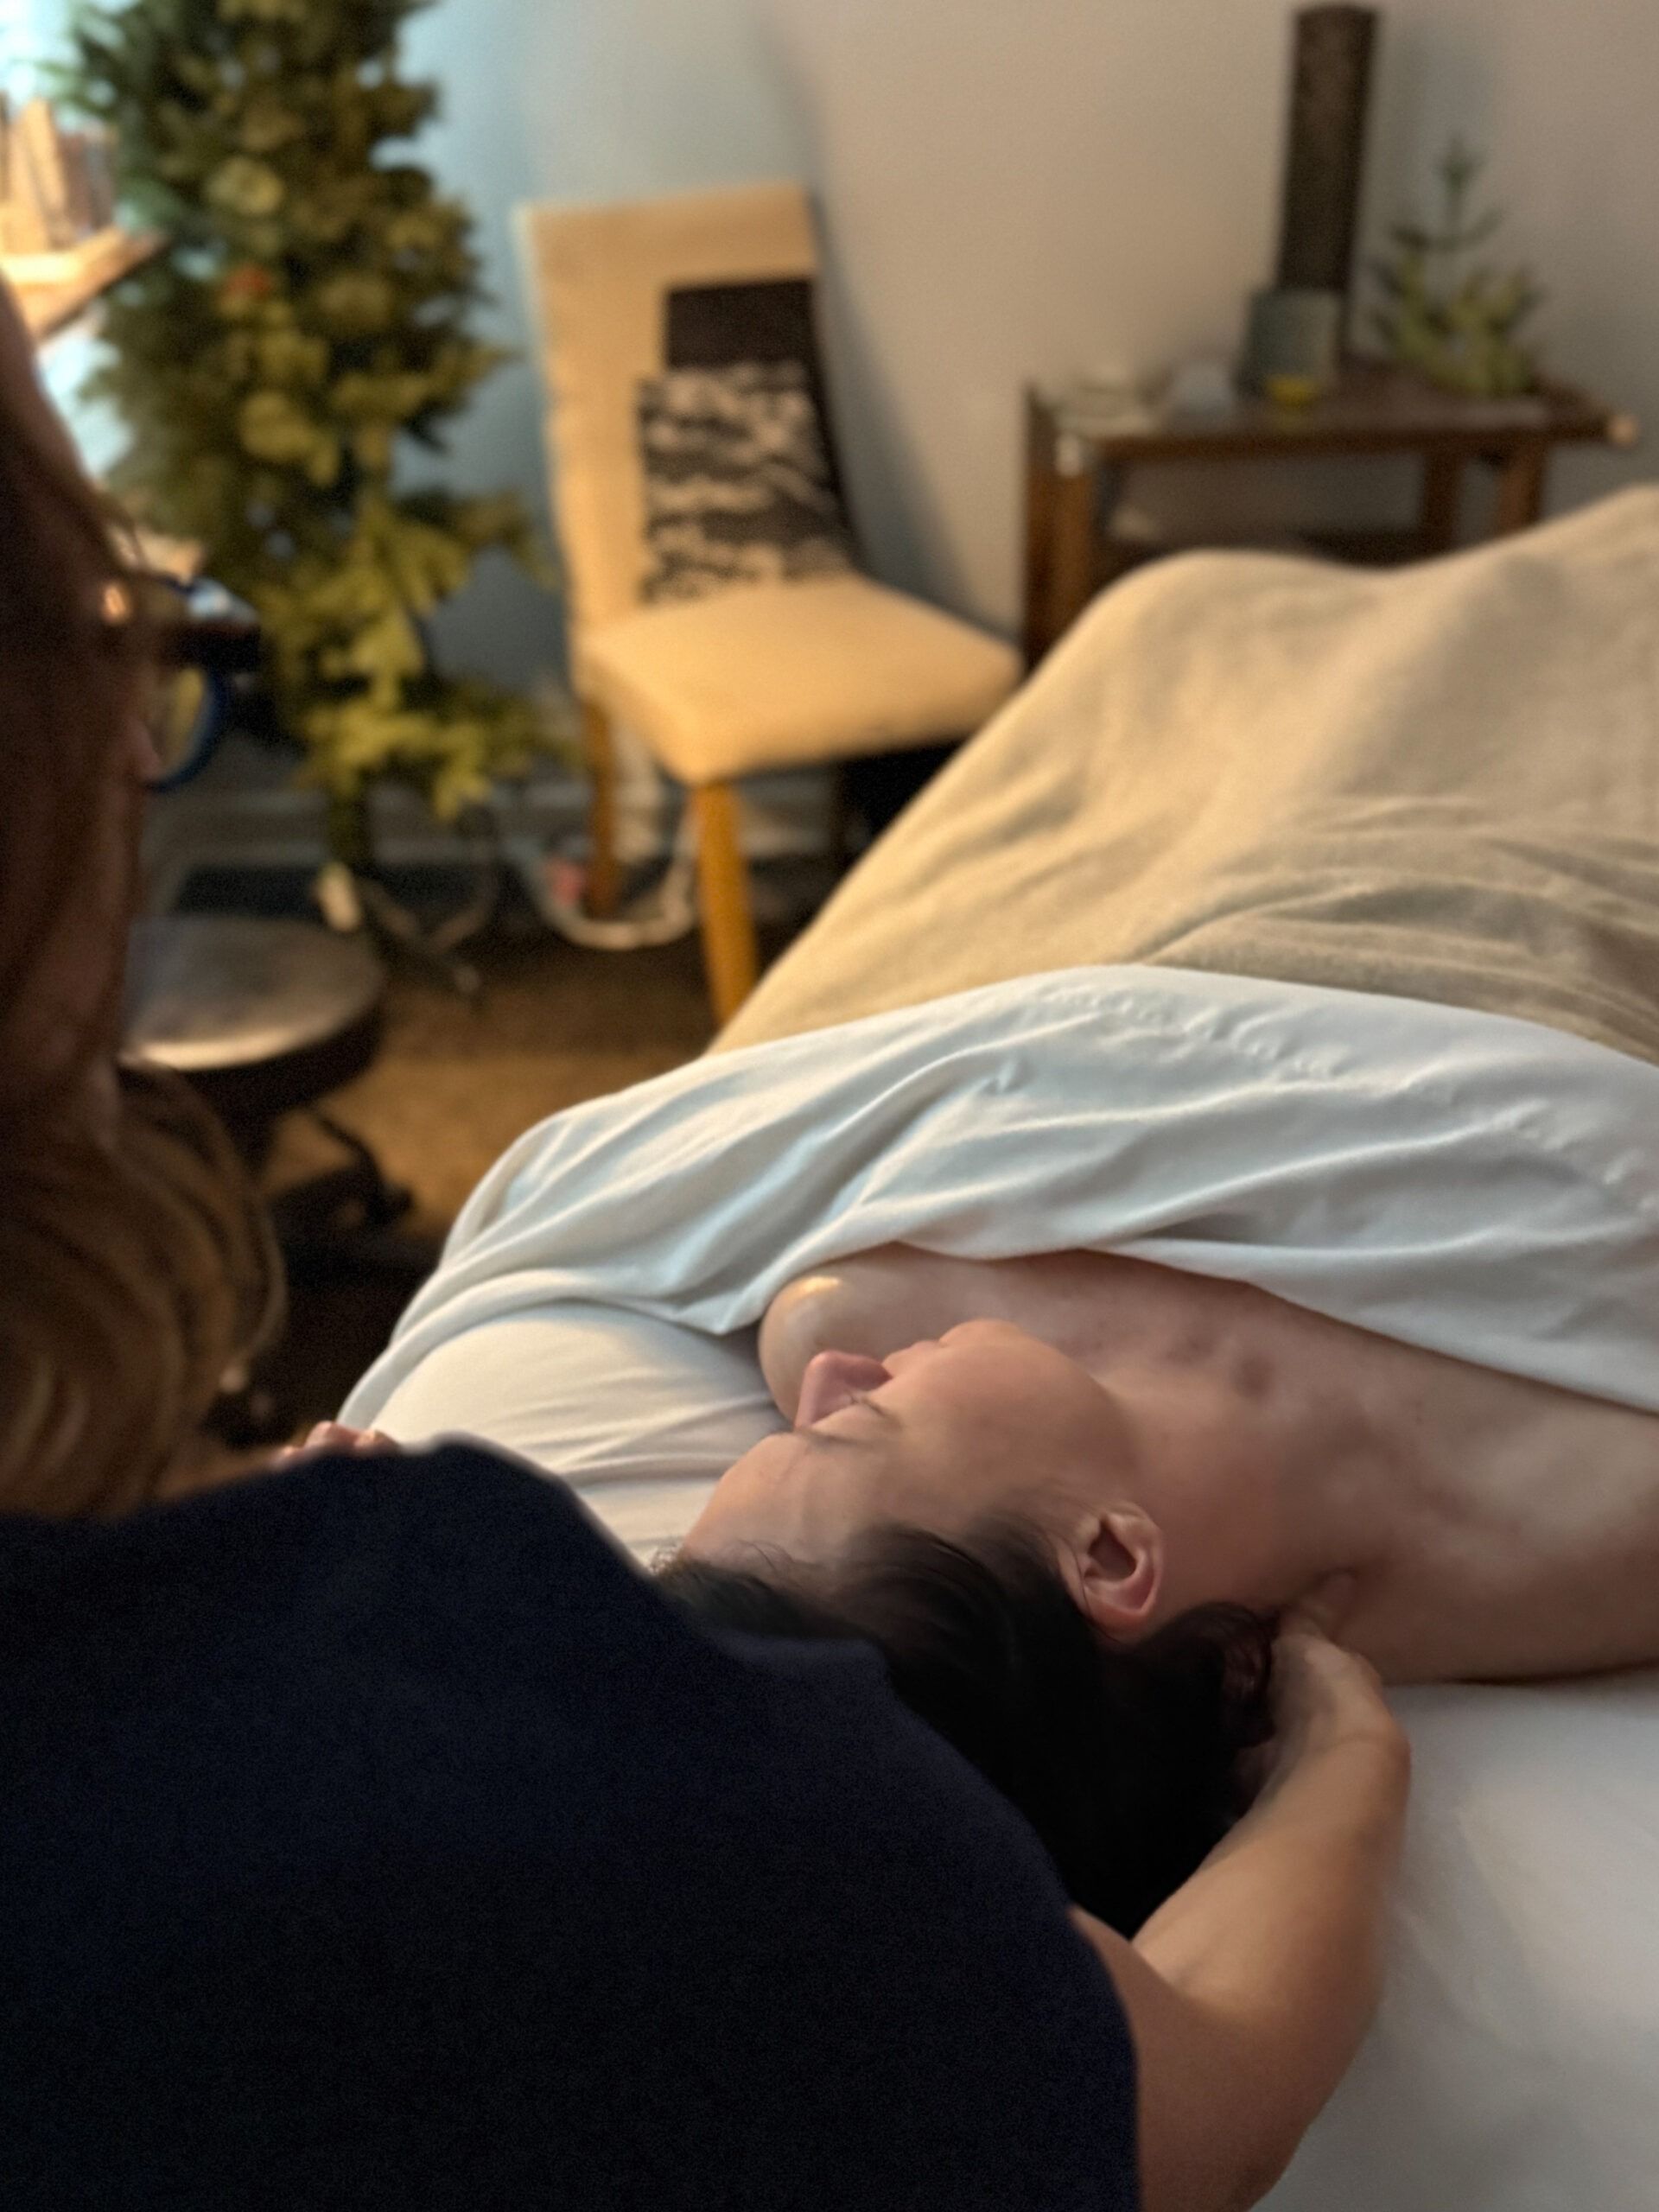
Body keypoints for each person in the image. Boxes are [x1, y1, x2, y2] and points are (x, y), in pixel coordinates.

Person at [0, 274, 1406, 2210]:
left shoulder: (403, 1696)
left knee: (1181, 633)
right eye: (121, 654)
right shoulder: (663, 1801)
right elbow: (1217, 2084)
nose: (833, 1368)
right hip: (1246, 957)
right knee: (1183, 634)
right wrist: (1346, 1749)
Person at [671, 1233, 1659, 1685]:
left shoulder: (844, 1313)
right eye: (850, 1424)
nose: (834, 1375)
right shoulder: (1601, 1513)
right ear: (1106, 1556)